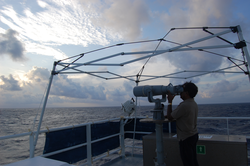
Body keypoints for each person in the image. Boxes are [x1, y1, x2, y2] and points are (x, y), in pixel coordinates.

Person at [165, 81, 199, 166]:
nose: (180, 92)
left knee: (188, 163)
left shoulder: (184, 105)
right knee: (193, 161)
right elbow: (177, 114)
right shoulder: (193, 103)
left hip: (186, 138)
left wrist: (169, 102)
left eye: (182, 90)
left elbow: (170, 117)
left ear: (186, 93)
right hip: (193, 135)